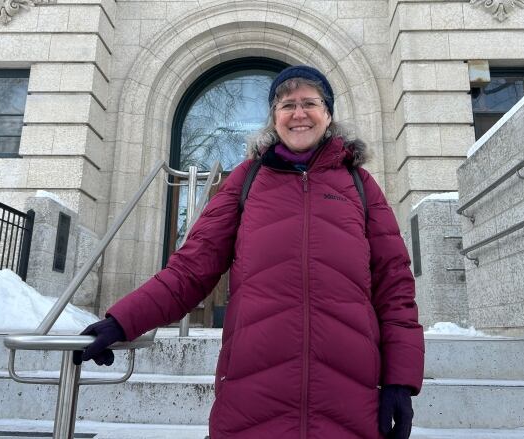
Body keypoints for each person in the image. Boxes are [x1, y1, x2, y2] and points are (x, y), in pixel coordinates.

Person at [74, 65, 425, 439]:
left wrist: (400, 381)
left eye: (310, 103)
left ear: (329, 114)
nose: (299, 113)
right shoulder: (247, 180)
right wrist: (122, 320)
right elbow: (190, 270)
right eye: (287, 104)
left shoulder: (359, 185)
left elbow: (395, 288)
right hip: (252, 398)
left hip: (348, 398)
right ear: (274, 117)